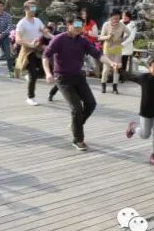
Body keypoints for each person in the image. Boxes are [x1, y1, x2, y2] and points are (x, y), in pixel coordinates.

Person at [42, 15, 120, 151]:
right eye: (76, 25)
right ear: (68, 25)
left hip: (78, 76)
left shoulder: (83, 41)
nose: (79, 28)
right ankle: (78, 139)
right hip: (63, 78)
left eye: (80, 25)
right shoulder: (59, 39)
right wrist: (48, 73)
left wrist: (111, 62)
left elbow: (97, 54)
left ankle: (76, 124)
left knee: (91, 104)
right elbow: (45, 56)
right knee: (76, 108)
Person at [15, 0, 52, 106]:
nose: (33, 10)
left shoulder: (37, 20)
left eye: (35, 8)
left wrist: (56, 39)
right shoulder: (21, 23)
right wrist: (30, 44)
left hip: (38, 49)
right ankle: (30, 97)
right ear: (26, 9)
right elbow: (18, 39)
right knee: (33, 74)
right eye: (31, 8)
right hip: (27, 50)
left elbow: (45, 33)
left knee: (43, 71)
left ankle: (29, 76)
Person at [98, 9, 132, 94]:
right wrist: (107, 37)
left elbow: (129, 33)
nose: (116, 20)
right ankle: (103, 85)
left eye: (118, 18)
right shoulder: (106, 24)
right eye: (114, 18)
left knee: (116, 67)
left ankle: (115, 87)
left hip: (117, 48)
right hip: (108, 48)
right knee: (106, 68)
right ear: (110, 18)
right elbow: (100, 37)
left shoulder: (122, 25)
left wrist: (122, 39)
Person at [120, 10, 137, 82]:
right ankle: (116, 75)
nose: (124, 17)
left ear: (129, 17)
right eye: (123, 15)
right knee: (117, 61)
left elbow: (132, 37)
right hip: (117, 45)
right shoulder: (119, 22)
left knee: (124, 61)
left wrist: (123, 44)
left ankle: (122, 77)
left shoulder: (133, 25)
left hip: (126, 46)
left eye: (126, 16)